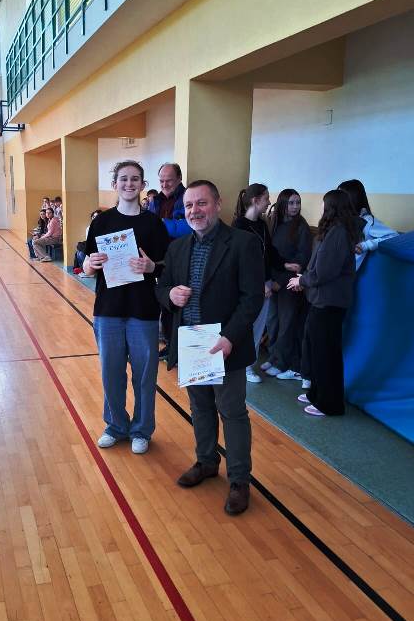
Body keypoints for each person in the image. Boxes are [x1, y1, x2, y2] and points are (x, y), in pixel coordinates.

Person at [157, 181, 264, 515]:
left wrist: (230, 337)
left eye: (201, 203)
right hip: (192, 341)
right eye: (189, 205)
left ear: (218, 204)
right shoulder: (177, 248)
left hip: (224, 344)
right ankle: (206, 462)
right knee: (200, 408)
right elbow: (162, 287)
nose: (194, 211)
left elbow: (252, 298)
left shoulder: (243, 243)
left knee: (232, 412)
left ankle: (239, 481)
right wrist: (170, 295)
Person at [83, 161, 170, 455]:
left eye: (135, 179)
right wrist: (91, 264)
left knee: (144, 375)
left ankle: (141, 430)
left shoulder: (154, 224)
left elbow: (165, 267)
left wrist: (151, 267)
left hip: (143, 310)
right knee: (111, 373)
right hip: (108, 310)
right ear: (115, 184)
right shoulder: (102, 222)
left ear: (143, 185)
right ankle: (115, 426)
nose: (129, 184)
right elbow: (86, 265)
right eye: (123, 179)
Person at [287, 190, 359, 416]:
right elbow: (318, 266)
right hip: (321, 300)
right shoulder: (333, 231)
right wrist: (305, 279)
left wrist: (302, 280)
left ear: (331, 207)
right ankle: (316, 393)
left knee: (326, 353)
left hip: (330, 302)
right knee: (316, 349)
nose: (321, 207)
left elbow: (325, 272)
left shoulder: (338, 233)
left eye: (324, 204)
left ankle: (329, 403)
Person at [232, 183, 297, 384]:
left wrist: (285, 265)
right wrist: (260, 284)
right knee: (247, 326)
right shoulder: (239, 226)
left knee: (259, 327)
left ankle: (248, 364)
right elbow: (242, 262)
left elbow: (268, 252)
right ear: (255, 200)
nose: (269, 202)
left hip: (264, 283)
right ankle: (243, 367)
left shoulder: (261, 224)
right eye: (266, 198)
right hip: (250, 285)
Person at [262, 189, 312, 380]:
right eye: (291, 202)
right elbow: (270, 255)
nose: (295, 206)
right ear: (283, 203)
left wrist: (280, 282)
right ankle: (274, 357)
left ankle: (282, 362)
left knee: (287, 324)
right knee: (272, 322)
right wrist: (270, 280)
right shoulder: (274, 223)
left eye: (298, 202)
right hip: (273, 282)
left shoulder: (301, 227)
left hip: (290, 284)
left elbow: (301, 260)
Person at [149, 164, 192, 361]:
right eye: (161, 181)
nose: (164, 184)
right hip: (159, 260)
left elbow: (188, 227)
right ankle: (169, 344)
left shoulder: (187, 197)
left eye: (169, 180)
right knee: (165, 302)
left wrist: (160, 224)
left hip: (182, 258)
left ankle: (182, 348)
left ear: (179, 178)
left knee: (182, 305)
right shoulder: (155, 200)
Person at [337, 179, 397, 269]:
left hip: (346, 273)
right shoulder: (343, 219)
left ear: (352, 198)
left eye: (339, 196)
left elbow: (394, 236)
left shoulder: (367, 221)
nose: (336, 200)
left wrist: (366, 245)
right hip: (335, 268)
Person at [73, 209, 102, 274]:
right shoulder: (89, 228)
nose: (95, 218)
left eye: (97, 216)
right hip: (92, 245)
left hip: (99, 246)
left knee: (81, 250)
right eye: (94, 217)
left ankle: (82, 269)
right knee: (79, 251)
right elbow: (88, 240)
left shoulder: (104, 227)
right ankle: (83, 269)